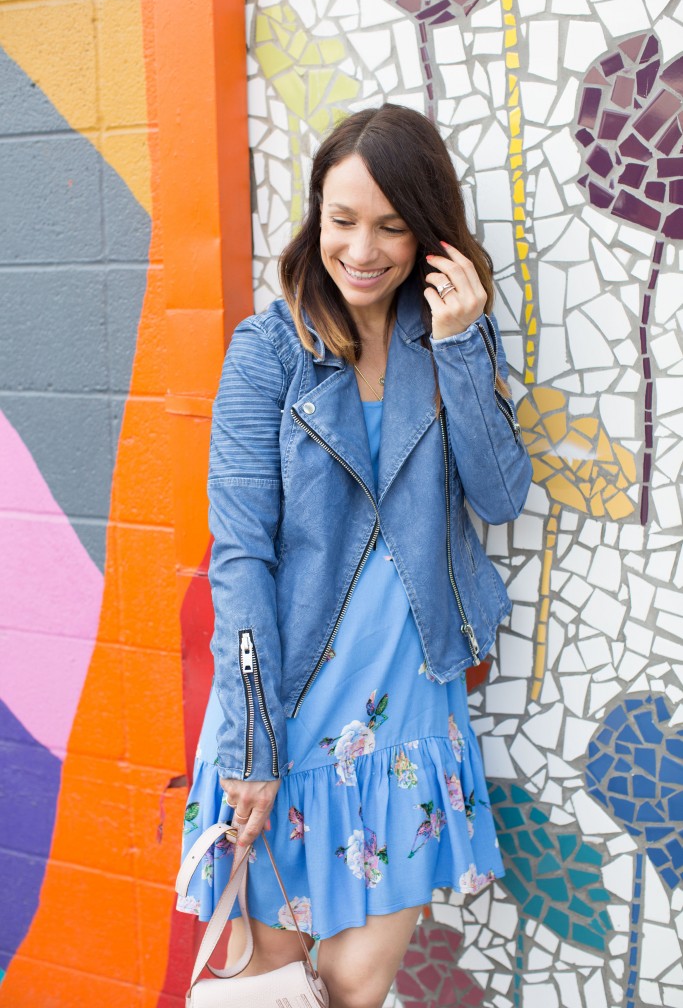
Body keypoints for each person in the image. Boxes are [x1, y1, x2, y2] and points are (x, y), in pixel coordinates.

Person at [178, 103, 532, 1008]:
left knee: (353, 991)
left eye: (390, 225)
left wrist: (458, 349)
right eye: (341, 221)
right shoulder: (268, 354)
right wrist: (253, 747)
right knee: (276, 985)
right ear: (314, 219)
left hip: (411, 707)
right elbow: (242, 558)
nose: (363, 249)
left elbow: (498, 495)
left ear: (427, 233)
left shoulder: (443, 341)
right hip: (292, 709)